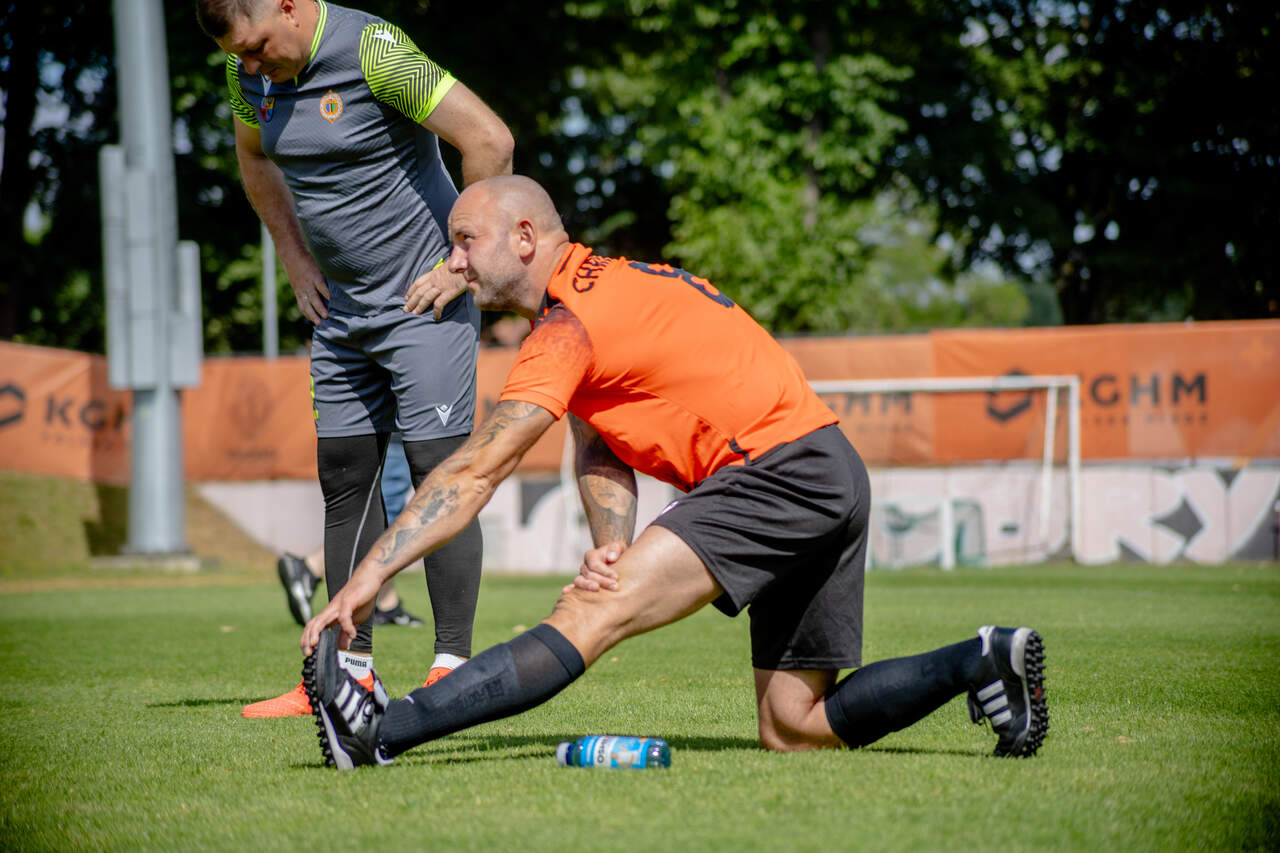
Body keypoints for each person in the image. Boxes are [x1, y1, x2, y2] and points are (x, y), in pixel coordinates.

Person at [299, 176, 1049, 770]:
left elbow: (473, 473)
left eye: (465, 241)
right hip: (828, 469)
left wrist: (368, 576)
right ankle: (982, 659)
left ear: (524, 237)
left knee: (589, 617)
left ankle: (381, 732)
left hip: (775, 473)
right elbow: (599, 440)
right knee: (794, 727)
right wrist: (612, 545)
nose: (453, 262)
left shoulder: (568, 326)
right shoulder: (608, 286)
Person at [195, 0, 513, 718]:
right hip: (339, 314)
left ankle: (452, 671)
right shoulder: (246, 74)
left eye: (257, 45)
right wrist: (292, 256)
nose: (250, 63)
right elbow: (254, 157)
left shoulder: (374, 49)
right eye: (238, 54)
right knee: (345, 478)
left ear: (288, 5)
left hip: (423, 304)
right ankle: (346, 676)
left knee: (439, 471)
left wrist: (462, 263)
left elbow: (490, 139)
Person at [276, 434, 429, 630]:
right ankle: (311, 567)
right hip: (393, 431)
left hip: (380, 432)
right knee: (383, 513)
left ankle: (385, 603)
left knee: (381, 510)